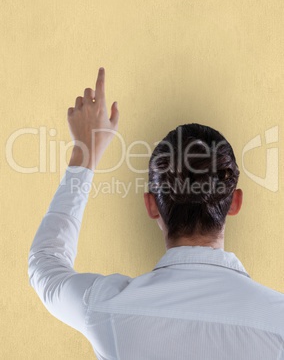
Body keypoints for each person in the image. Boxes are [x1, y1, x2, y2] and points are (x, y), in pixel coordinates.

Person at [28, 67, 284, 360]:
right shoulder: (278, 321)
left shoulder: (107, 307)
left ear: (151, 205)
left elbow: (45, 264)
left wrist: (85, 153)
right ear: (236, 202)